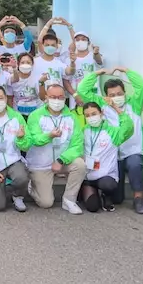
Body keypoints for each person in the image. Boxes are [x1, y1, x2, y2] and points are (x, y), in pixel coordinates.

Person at [78, 67, 143, 213]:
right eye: (112, 95)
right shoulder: (102, 105)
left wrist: (125, 70)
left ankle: (138, 199)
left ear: (125, 93)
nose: (116, 97)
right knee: (117, 199)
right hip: (112, 155)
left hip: (132, 151)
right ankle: (101, 193)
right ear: (106, 96)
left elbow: (142, 86)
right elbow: (82, 90)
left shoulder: (134, 104)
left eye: (119, 93)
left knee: (135, 164)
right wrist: (98, 73)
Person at [25, 83, 86, 214]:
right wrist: (49, 136)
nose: (57, 100)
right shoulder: (35, 115)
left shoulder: (72, 117)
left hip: (62, 161)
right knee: (46, 203)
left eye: (60, 97)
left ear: (65, 98)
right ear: (46, 97)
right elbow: (35, 139)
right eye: (53, 97)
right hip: (41, 164)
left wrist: (61, 160)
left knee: (80, 164)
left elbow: (77, 145)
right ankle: (33, 186)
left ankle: (69, 200)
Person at [79, 101, 133, 213]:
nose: (91, 118)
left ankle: (105, 195)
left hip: (106, 175)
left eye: (94, 114)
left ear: (101, 113)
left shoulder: (113, 131)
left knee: (107, 185)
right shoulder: (83, 131)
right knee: (92, 207)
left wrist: (116, 107)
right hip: (88, 176)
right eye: (87, 115)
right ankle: (92, 192)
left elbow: (128, 126)